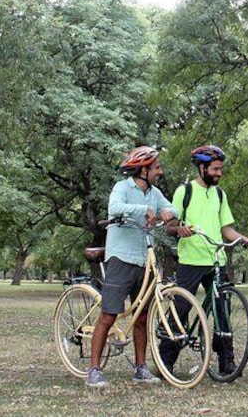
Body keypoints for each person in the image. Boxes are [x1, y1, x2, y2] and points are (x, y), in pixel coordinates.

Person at [161, 144, 248, 377]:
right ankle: (166, 361)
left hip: (216, 259)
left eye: (220, 169)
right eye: (215, 169)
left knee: (223, 311)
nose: (219, 173)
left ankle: (227, 362)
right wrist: (179, 230)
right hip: (191, 260)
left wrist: (243, 239)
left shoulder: (220, 194)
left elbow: (226, 229)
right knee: (181, 309)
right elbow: (170, 227)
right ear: (202, 167)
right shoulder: (185, 191)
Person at [86, 146, 177, 388]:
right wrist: (142, 210)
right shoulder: (122, 188)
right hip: (121, 257)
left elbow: (172, 208)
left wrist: (168, 212)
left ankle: (140, 368)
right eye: (156, 167)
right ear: (143, 169)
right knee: (109, 314)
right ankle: (93, 370)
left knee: (143, 316)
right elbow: (114, 208)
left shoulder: (154, 193)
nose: (160, 171)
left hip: (143, 259)